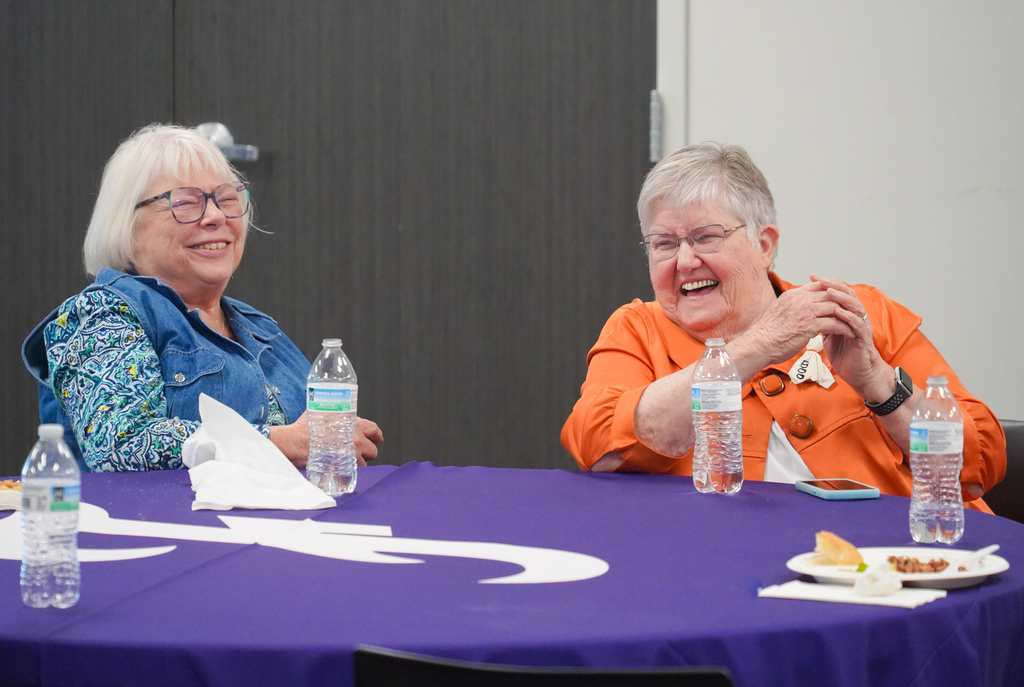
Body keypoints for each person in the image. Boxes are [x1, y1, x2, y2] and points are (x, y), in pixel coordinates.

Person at [561, 143, 1006, 511]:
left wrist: (879, 383)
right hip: (718, 570)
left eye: (706, 237)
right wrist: (755, 347)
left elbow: (977, 463)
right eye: (664, 244)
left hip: (888, 564)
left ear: (764, 244)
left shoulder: (857, 312)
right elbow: (601, 447)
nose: (684, 261)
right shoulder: (637, 331)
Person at [23, 124, 383, 472]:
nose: (214, 216)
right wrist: (279, 442)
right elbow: (122, 445)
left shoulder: (257, 326)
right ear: (127, 228)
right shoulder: (100, 315)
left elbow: (315, 437)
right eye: (185, 203)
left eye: (226, 199)